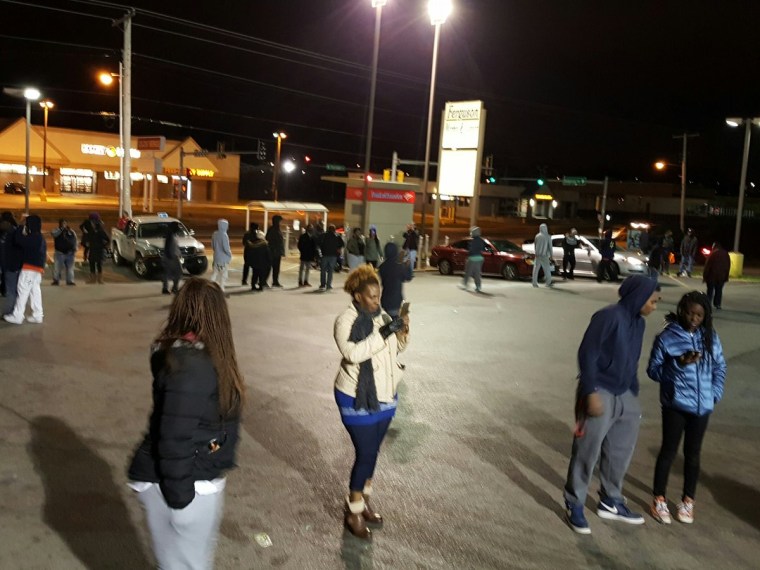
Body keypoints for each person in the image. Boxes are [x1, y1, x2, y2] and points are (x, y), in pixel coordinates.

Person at [127, 277, 245, 570]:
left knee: (190, 562)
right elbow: (174, 437)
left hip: (195, 474)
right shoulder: (191, 367)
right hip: (186, 483)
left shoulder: (194, 357)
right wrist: (182, 501)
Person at [563, 275, 660, 534]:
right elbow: (588, 353)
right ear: (639, 297)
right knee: (587, 450)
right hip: (599, 390)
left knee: (620, 451)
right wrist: (590, 391)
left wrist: (632, 390)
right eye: (652, 300)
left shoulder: (638, 323)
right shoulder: (609, 316)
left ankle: (610, 500)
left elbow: (632, 358)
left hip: (624, 393)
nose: (654, 306)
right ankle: (575, 503)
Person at [334, 265, 409, 540]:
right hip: (356, 395)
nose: (377, 301)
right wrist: (385, 333)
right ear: (357, 296)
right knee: (365, 454)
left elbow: (392, 350)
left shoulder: (383, 316)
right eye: (372, 297)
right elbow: (353, 353)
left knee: (373, 454)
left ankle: (362, 502)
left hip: (385, 395)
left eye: (379, 295)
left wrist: (401, 334)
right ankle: (352, 512)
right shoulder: (346, 320)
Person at [647, 291, 726, 525]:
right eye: (690, 313)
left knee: (693, 455)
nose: (694, 318)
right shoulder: (666, 338)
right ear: (682, 311)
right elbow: (653, 371)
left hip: (703, 407)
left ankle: (688, 500)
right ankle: (659, 499)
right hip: (675, 404)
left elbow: (720, 367)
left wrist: (715, 394)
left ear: (705, 316)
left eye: (699, 315)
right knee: (669, 452)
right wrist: (678, 364)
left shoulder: (710, 337)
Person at [4, 214, 46, 325]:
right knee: (34, 291)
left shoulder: (33, 237)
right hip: (37, 270)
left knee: (23, 291)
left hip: (29, 269)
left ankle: (18, 315)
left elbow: (19, 239)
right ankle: (38, 315)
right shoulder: (40, 237)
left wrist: (20, 225)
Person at [378, 242, 410, 317]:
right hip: (396, 300)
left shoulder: (382, 267)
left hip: (385, 299)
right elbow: (407, 277)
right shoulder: (399, 266)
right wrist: (407, 266)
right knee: (395, 324)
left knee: (387, 322)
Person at [1, 211, 21, 312]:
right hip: (11, 262)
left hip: (7, 261)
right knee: (12, 288)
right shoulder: (15, 230)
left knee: (10, 287)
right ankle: (13, 310)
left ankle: (10, 311)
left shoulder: (10, 231)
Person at [702, 242, 731, 310]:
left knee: (710, 291)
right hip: (722, 276)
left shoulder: (713, 254)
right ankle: (717, 304)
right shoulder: (726, 254)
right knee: (719, 290)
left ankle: (708, 304)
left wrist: (705, 276)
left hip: (712, 276)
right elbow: (728, 266)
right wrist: (726, 276)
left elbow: (707, 266)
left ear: (715, 247)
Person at [51, 218, 78, 286]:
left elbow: (75, 239)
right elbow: (54, 234)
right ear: (60, 224)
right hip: (59, 253)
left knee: (70, 268)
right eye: (62, 223)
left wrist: (75, 248)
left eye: (65, 223)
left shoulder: (71, 231)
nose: (64, 225)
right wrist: (61, 229)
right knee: (57, 268)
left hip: (70, 253)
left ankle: (70, 280)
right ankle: (56, 280)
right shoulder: (56, 230)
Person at [244, 227, 271, 292]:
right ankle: (261, 286)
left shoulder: (253, 244)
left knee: (255, 274)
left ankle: (253, 285)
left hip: (255, 263)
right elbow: (268, 254)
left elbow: (250, 253)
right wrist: (269, 261)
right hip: (262, 263)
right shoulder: (264, 245)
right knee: (261, 275)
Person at [462, 226, 487, 292]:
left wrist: (468, 256)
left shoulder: (473, 241)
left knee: (468, 272)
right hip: (480, 258)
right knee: (477, 273)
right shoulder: (481, 240)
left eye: (471, 232)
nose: (471, 233)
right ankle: (478, 286)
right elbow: (483, 249)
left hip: (472, 258)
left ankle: (465, 284)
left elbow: (471, 250)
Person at [318, 224, 343, 291]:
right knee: (330, 271)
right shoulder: (337, 236)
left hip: (325, 255)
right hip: (333, 256)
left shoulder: (323, 235)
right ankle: (329, 285)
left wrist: (322, 249)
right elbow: (342, 244)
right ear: (334, 230)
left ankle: (323, 284)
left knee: (323, 270)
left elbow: (318, 243)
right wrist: (338, 249)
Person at [211, 218, 232, 292]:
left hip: (216, 257)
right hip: (223, 259)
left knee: (215, 272)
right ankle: (222, 287)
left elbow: (213, 246)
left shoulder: (215, 234)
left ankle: (210, 286)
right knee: (224, 274)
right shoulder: (224, 235)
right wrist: (229, 254)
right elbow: (226, 248)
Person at [162, 221, 183, 295]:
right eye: (178, 227)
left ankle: (165, 288)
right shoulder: (171, 235)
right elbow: (168, 247)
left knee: (167, 273)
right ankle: (174, 288)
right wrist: (171, 256)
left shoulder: (172, 235)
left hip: (170, 256)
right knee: (179, 272)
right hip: (172, 257)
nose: (179, 228)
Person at [86, 218, 109, 284]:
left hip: (99, 250)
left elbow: (107, 239)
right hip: (92, 250)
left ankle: (100, 279)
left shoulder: (101, 231)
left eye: (93, 224)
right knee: (91, 263)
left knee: (99, 265)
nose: (92, 225)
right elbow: (88, 238)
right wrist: (88, 243)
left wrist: (103, 246)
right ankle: (92, 279)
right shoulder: (91, 231)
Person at [265, 215, 285, 287]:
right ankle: (264, 281)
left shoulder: (275, 229)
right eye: (279, 221)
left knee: (276, 268)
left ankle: (275, 281)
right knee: (269, 267)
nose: (280, 223)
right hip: (273, 252)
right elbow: (269, 240)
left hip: (277, 252)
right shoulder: (273, 229)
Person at [532, 223, 553, 288]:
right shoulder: (548, 236)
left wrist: (536, 252)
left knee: (535, 270)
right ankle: (548, 283)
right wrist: (551, 255)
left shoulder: (537, 236)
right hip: (545, 255)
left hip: (538, 255)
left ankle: (534, 283)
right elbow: (550, 246)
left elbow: (535, 245)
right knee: (547, 269)